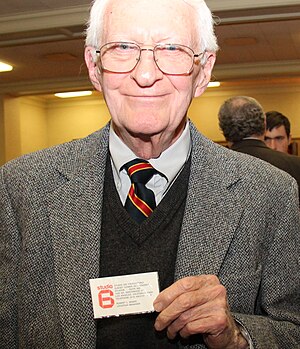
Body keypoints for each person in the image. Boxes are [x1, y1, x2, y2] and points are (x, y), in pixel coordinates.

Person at [1, 1, 299, 348]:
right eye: (123, 47)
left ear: (203, 72)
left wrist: (237, 336)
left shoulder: (270, 193)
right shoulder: (22, 188)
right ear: (94, 67)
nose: (145, 75)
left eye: (171, 48)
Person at [218, 96, 300, 202]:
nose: (273, 145)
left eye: (279, 139)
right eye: (268, 139)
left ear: (223, 130)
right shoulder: (296, 166)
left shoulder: (210, 171)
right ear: (264, 124)